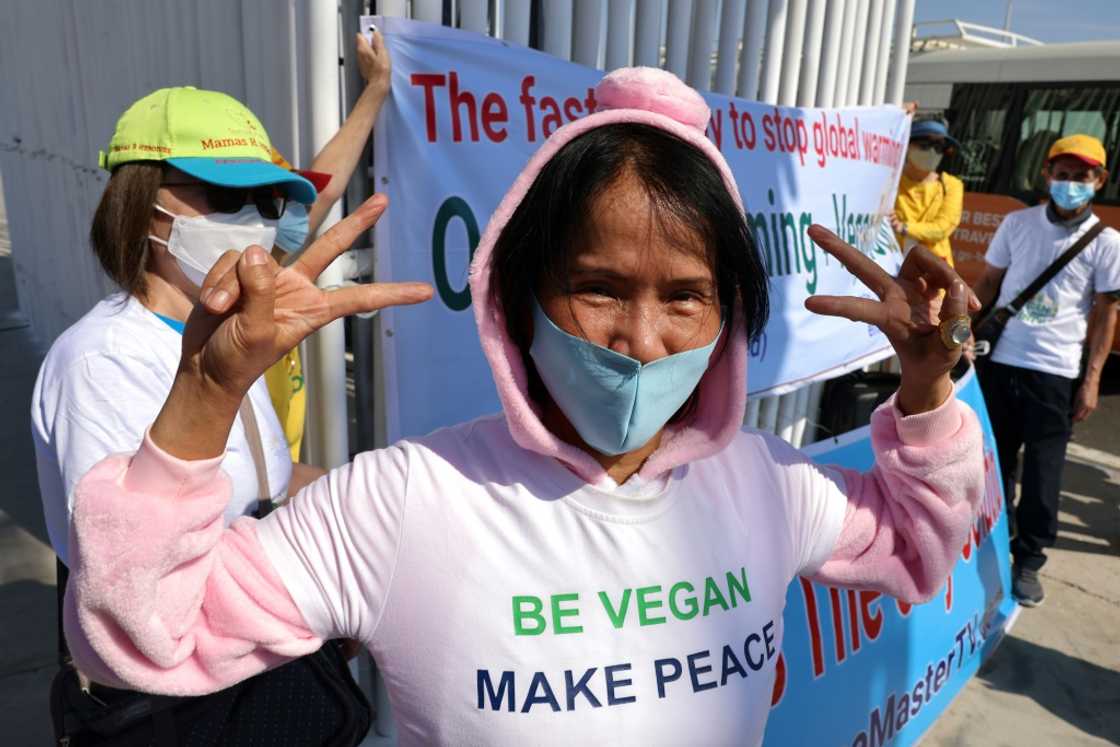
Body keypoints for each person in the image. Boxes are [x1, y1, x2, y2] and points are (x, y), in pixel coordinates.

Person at [62, 68, 984, 745]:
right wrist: (207, 391)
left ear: (730, 314)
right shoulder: (402, 501)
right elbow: (142, 641)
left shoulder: (766, 485)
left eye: (685, 295)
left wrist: (927, 388)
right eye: (598, 286)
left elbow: (918, 545)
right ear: (515, 295)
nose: (641, 338)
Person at [30, 86, 333, 570]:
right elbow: (126, 571)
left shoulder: (221, 332)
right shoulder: (102, 361)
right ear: (144, 206)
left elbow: (261, 481)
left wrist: (384, 490)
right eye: (228, 195)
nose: (254, 219)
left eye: (267, 200)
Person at [971, 134, 1120, 607]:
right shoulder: (1016, 224)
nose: (1070, 184)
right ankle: (997, 538)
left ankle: (1030, 559)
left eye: (1082, 177)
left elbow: (1104, 314)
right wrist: (962, 335)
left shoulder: (1107, 243)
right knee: (994, 462)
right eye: (1063, 174)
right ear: (1046, 176)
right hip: (1001, 360)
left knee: (1043, 473)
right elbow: (989, 283)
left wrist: (1091, 379)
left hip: (1055, 373)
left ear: (1099, 181)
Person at [265, 28, 393, 461]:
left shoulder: (269, 261)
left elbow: (321, 190)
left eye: (274, 199)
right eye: (238, 202)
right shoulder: (162, 347)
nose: (278, 213)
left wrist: (375, 91)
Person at [890, 117, 964, 267]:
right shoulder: (890, 181)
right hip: (890, 266)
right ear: (907, 145)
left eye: (939, 147)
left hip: (933, 275)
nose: (932, 152)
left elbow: (942, 228)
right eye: (924, 145)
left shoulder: (951, 185)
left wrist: (903, 228)